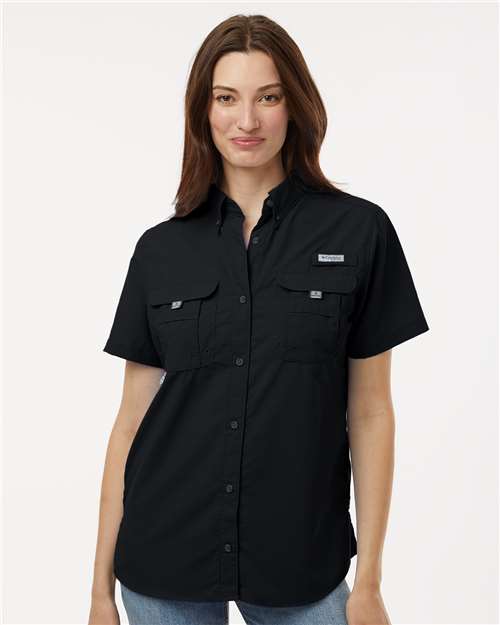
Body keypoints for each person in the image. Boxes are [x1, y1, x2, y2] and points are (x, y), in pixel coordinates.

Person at [88, 13, 429, 625]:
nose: (246, 121)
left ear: (295, 105)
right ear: (203, 110)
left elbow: (372, 411)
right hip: (164, 557)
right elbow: (130, 424)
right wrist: (98, 593)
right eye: (226, 98)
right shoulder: (160, 250)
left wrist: (369, 582)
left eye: (267, 97)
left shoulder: (359, 231)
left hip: (300, 560)